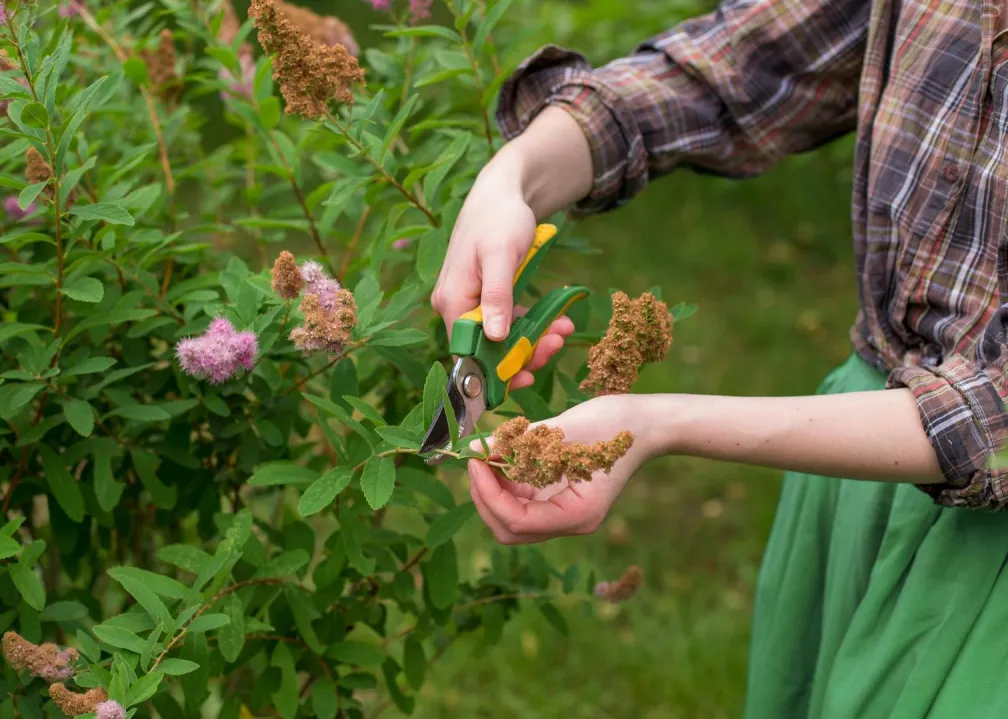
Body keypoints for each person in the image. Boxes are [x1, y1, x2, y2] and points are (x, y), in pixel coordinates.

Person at [431, 0, 1008, 716]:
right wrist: (516, 177)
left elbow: (994, 417)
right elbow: (749, 65)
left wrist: (655, 422)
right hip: (860, 473)